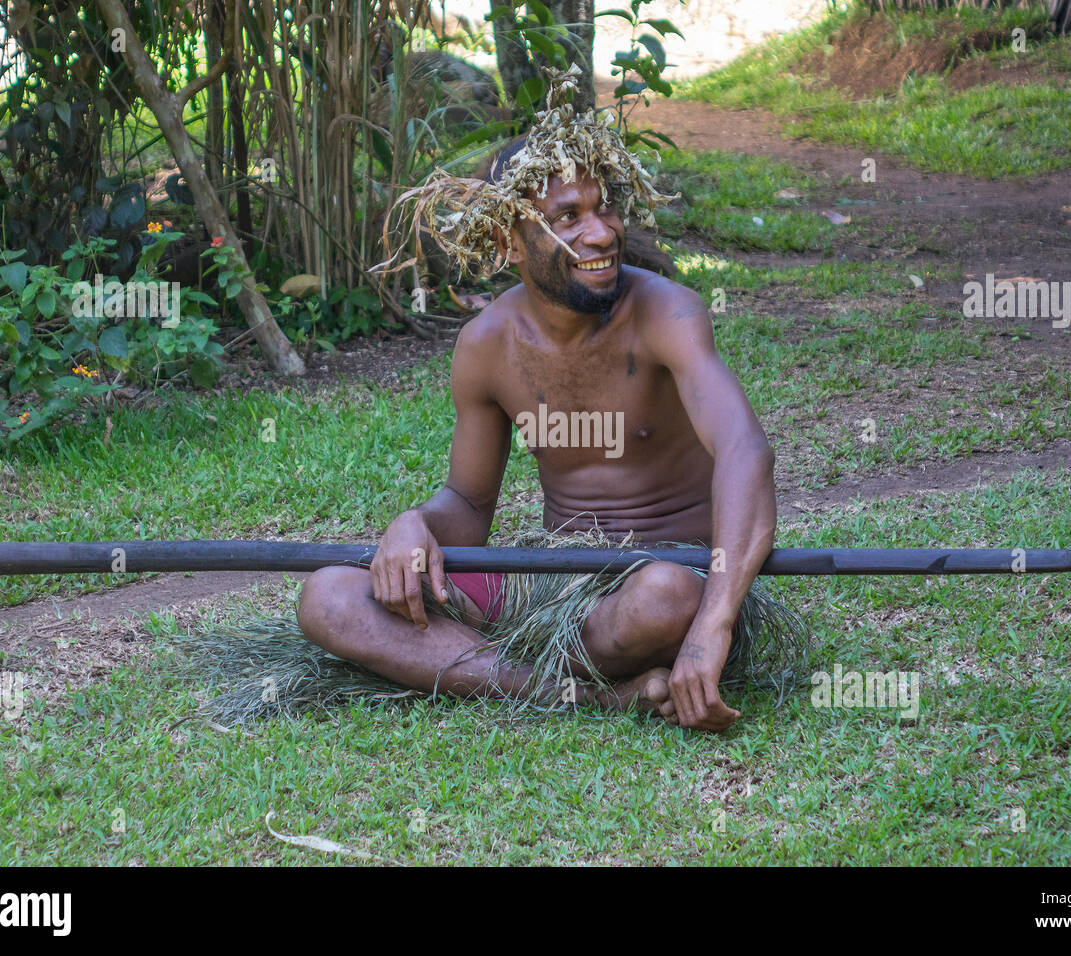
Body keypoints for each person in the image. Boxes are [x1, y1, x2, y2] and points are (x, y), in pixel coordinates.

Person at [298, 67, 802, 732]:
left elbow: (745, 450)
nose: (600, 234)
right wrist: (412, 525)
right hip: (547, 586)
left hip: (658, 585)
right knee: (328, 597)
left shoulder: (666, 314)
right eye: (568, 217)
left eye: (605, 209)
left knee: (665, 598)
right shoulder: (487, 345)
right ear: (511, 240)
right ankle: (584, 695)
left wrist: (715, 622)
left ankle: (487, 669)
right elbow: (470, 508)